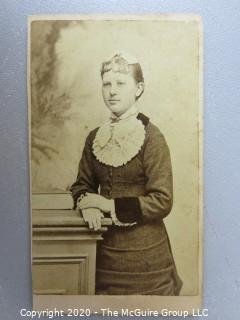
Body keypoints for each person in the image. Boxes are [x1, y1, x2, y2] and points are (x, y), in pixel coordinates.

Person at [70, 52, 183, 295]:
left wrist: (107, 204)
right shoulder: (94, 138)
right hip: (103, 257)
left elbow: (162, 201)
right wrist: (87, 205)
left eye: (121, 84)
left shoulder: (152, 137)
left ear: (138, 89)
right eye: (107, 84)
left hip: (146, 261)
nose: (112, 91)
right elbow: (81, 186)